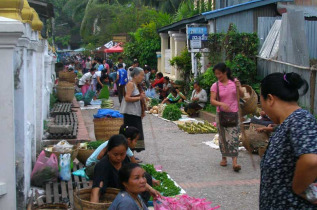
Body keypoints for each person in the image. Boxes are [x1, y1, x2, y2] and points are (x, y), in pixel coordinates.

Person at [259, 72, 317, 209]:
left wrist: (299, 188)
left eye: (261, 102)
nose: (263, 108)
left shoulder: (300, 118)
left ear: (270, 99)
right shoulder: (287, 123)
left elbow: (311, 160)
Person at [90, 135, 159, 203]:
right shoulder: (102, 166)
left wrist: (150, 189)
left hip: (125, 195)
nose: (119, 158)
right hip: (112, 200)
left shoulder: (125, 160)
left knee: (147, 177)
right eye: (115, 154)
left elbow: (135, 175)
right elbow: (96, 190)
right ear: (108, 151)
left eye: (122, 154)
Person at [210, 63, 244, 172]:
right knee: (223, 137)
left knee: (234, 137)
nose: (218, 76)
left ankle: (235, 162)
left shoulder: (234, 82)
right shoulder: (215, 85)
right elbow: (212, 100)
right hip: (221, 115)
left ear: (225, 72)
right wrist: (221, 104)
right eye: (216, 74)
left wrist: (239, 86)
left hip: (234, 113)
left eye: (219, 73)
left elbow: (242, 95)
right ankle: (224, 158)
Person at [120, 67, 146, 141]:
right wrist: (139, 97)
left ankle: (133, 151)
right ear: (135, 76)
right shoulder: (130, 84)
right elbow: (127, 98)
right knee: (132, 136)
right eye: (142, 75)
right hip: (131, 115)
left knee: (137, 136)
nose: (143, 77)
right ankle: (130, 151)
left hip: (136, 114)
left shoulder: (137, 85)